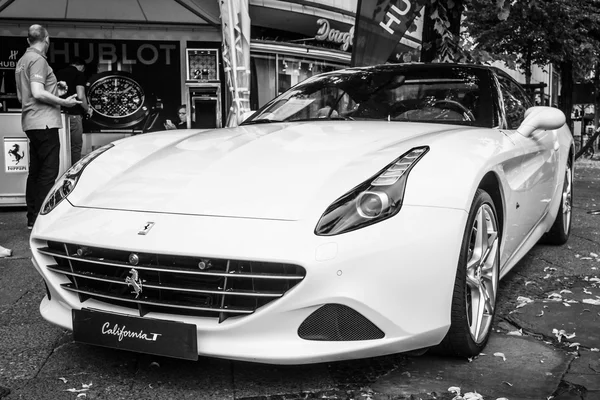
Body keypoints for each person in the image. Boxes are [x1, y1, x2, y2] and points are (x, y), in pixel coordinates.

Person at [15, 24, 81, 229]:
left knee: (35, 172)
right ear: (47, 39)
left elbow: (23, 96)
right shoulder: (38, 60)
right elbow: (37, 92)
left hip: (30, 122)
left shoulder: (22, 61)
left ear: (28, 40)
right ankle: (42, 220)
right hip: (44, 123)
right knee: (48, 172)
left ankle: (32, 217)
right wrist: (65, 103)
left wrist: (56, 91)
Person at [56, 57, 93, 165]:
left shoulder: (57, 73)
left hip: (57, 114)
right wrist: (87, 109)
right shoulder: (79, 74)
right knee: (75, 146)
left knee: (60, 145)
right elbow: (80, 96)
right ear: (81, 67)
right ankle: (73, 171)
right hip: (73, 113)